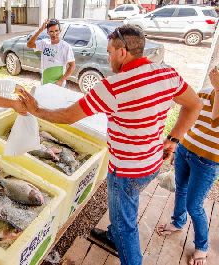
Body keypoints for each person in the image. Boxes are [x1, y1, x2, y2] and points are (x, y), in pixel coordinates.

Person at [19, 24, 202, 265]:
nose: (108, 57)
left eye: (109, 51)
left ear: (122, 52)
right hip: (153, 163)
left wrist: (36, 110)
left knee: (128, 227)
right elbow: (194, 105)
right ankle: (114, 235)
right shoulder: (167, 74)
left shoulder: (113, 87)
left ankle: (122, 241)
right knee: (127, 208)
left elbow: (67, 116)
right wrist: (174, 138)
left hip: (126, 171)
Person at [156, 67, 219, 265]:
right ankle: (177, 222)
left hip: (208, 163)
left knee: (194, 205)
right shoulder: (204, 92)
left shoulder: (215, 90)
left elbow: (216, 121)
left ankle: (202, 246)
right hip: (186, 151)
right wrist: (177, 145)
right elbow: (190, 120)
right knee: (180, 189)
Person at [27, 18, 75, 87]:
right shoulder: (44, 43)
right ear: (47, 32)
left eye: (56, 31)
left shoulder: (65, 46)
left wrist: (61, 80)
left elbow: (72, 66)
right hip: (45, 82)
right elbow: (29, 44)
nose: (54, 34)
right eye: (51, 31)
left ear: (60, 31)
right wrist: (40, 30)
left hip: (58, 85)